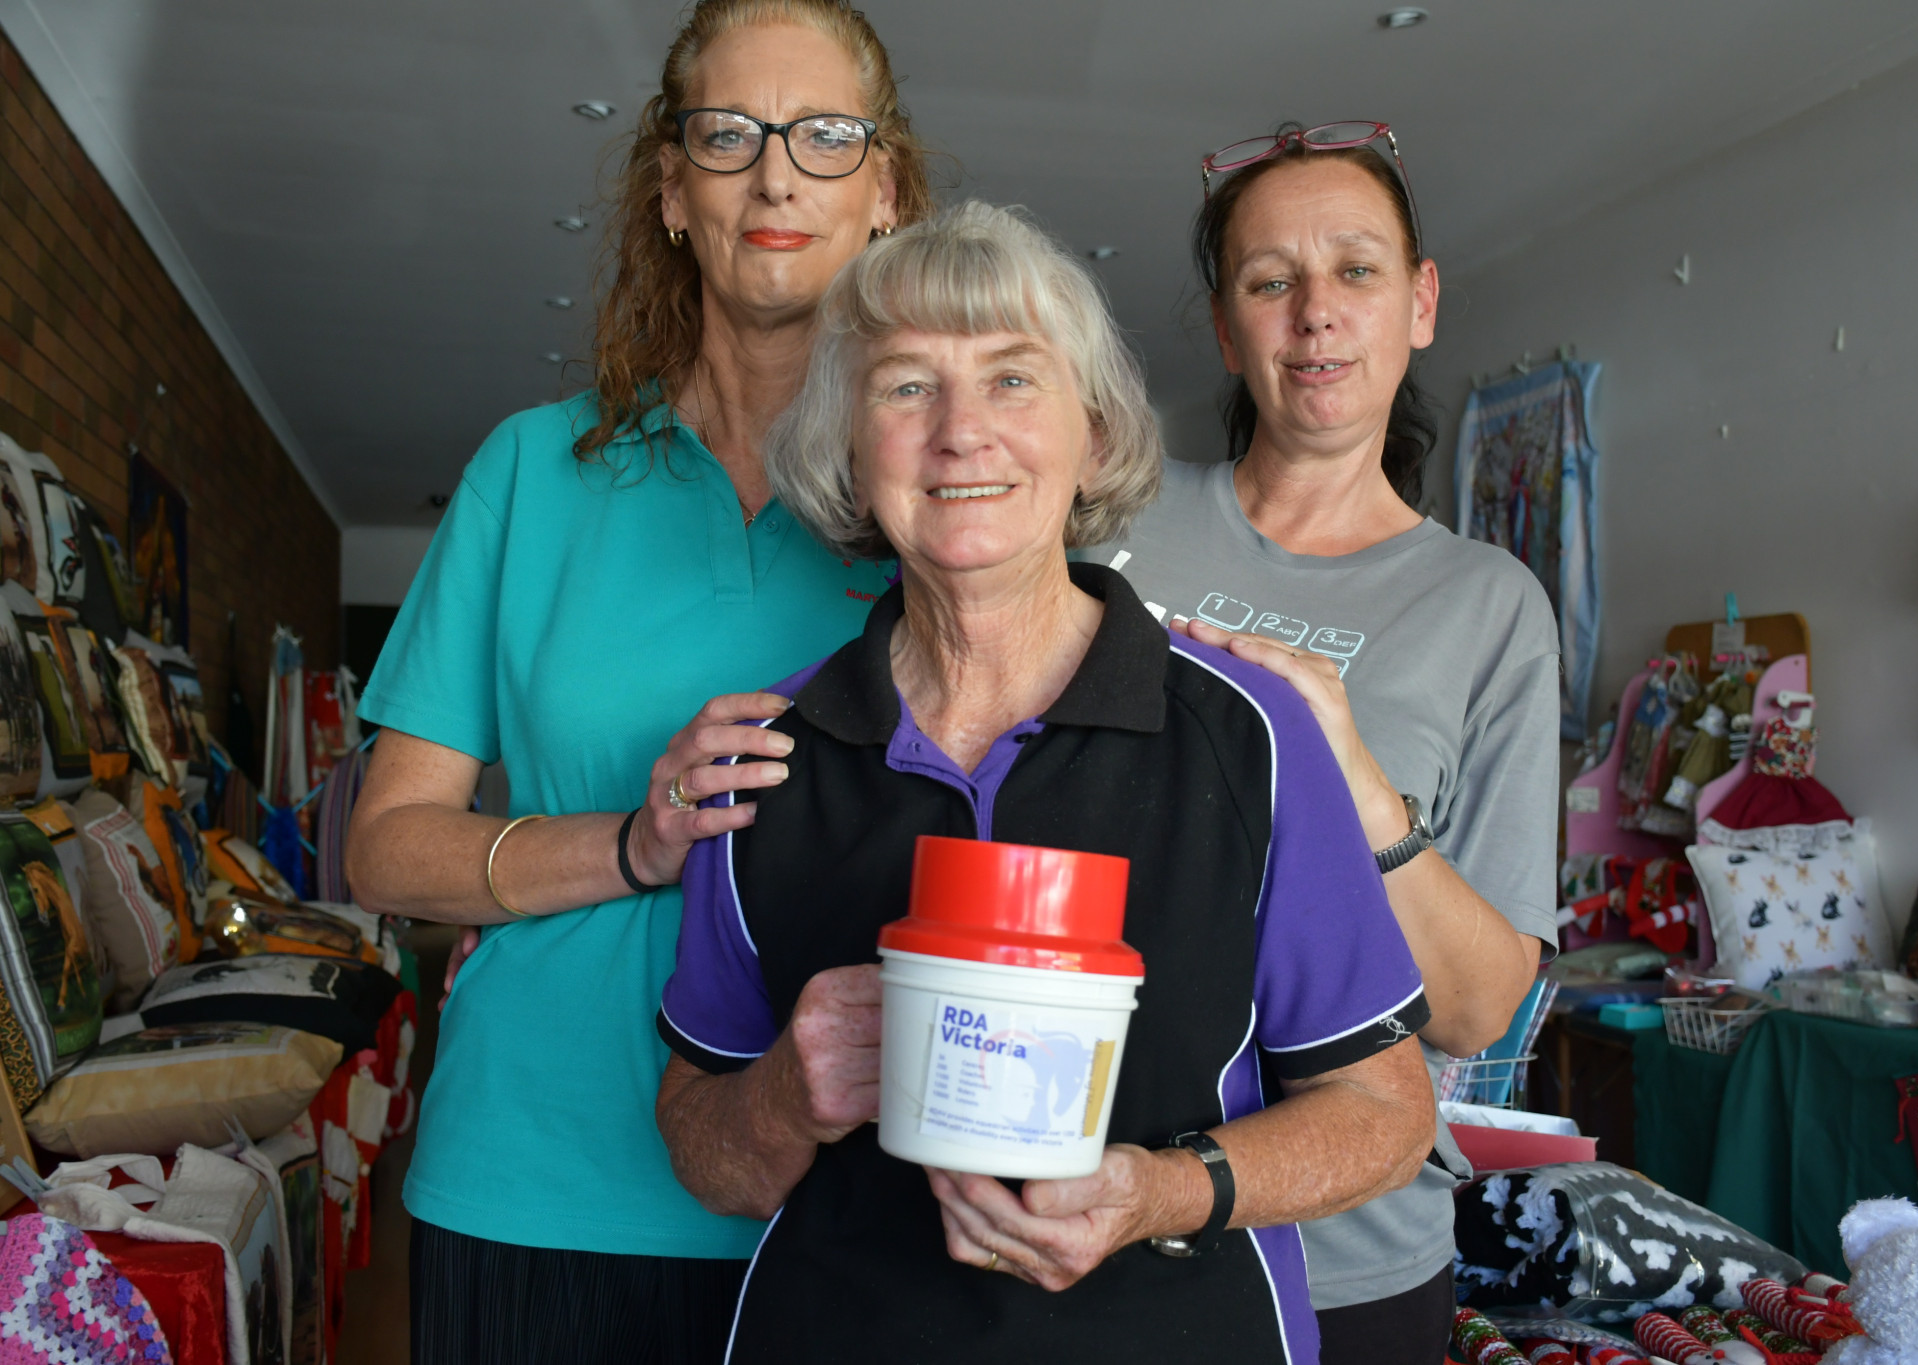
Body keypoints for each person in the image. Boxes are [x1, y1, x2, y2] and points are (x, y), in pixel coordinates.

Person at [651, 200, 1439, 1365]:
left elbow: (1386, 1117)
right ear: (847, 450)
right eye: (905, 385)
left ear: (1096, 436)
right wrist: (777, 1098)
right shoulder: (764, 756)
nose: (962, 433)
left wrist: (1159, 1193)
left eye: (1014, 379)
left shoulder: (1247, 734)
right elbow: (701, 1147)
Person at [343, 3, 934, 1360]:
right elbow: (385, 850)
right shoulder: (531, 473)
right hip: (532, 1186)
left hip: (843, 1198)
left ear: (884, 191)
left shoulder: (939, 499)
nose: (776, 174)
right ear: (672, 191)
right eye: (727, 136)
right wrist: (633, 836)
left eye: (824, 136)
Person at [1077, 122, 1560, 1362]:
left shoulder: (1486, 605)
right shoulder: (1107, 516)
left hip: (1344, 1254)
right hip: (1073, 1197)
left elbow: (1478, 1009)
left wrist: (1351, 773)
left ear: (1420, 303)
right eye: (1267, 280)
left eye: (1354, 269)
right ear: (1228, 327)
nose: (1314, 314)